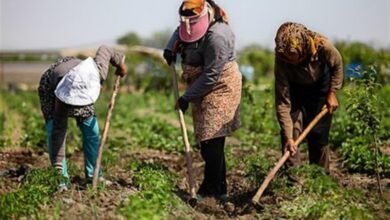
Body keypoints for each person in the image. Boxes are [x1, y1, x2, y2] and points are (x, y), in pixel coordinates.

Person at [163, 0, 242, 204]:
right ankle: (220, 191)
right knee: (210, 142)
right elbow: (180, 31)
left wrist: (186, 97)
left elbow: (211, 75)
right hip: (202, 83)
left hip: (220, 84)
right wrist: (171, 47)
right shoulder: (189, 23)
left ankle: (210, 190)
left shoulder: (217, 36)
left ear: (205, 15)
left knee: (211, 140)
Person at [38, 45, 127, 189]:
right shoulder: (61, 97)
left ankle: (94, 175)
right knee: (54, 129)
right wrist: (59, 173)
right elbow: (58, 133)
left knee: (92, 131)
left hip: (82, 81)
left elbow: (105, 49)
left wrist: (120, 64)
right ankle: (60, 179)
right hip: (53, 86)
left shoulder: (98, 72)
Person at [274, 22, 343, 176]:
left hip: (320, 89)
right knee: (292, 132)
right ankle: (293, 181)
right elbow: (282, 101)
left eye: (290, 56)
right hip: (296, 90)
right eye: (283, 56)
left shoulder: (324, 46)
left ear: (303, 48)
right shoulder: (281, 59)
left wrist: (332, 93)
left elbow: (337, 65)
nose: (286, 59)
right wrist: (288, 137)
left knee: (319, 134)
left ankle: (319, 179)